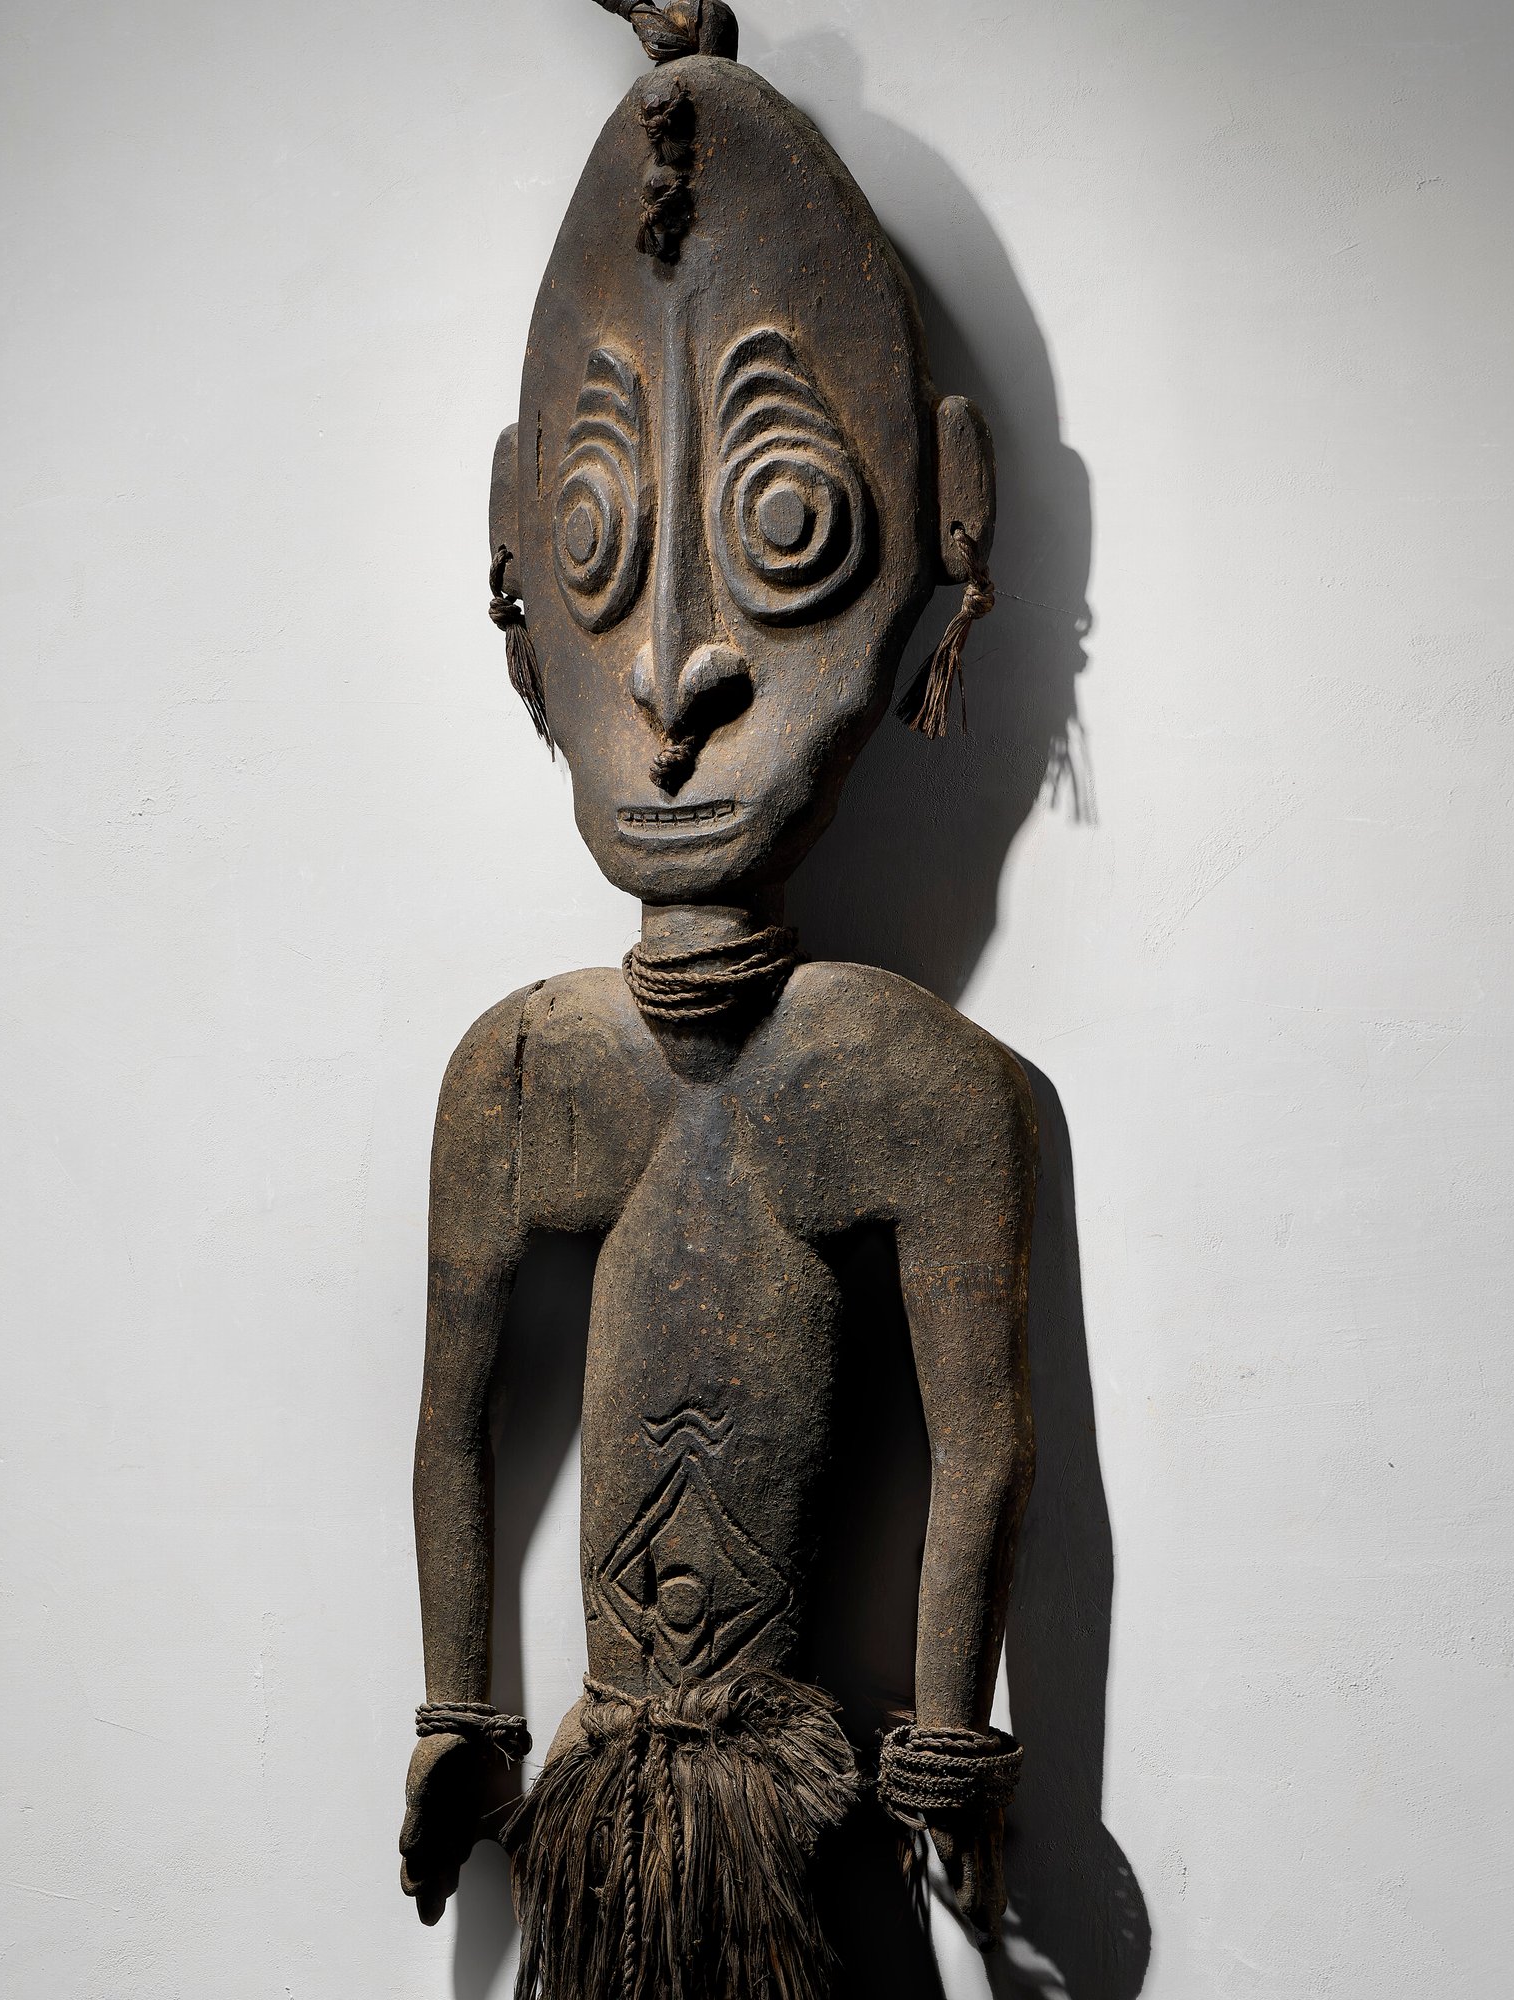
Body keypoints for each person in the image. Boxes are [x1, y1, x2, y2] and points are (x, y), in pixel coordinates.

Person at [398, 24, 1034, 1999]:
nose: (674, 671)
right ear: (516, 563)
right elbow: (449, 1422)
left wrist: (946, 1737)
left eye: (784, 534)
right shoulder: (522, 1074)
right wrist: (459, 1718)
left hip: (786, 1818)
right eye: (597, 545)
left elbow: (983, 1437)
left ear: (943, 528)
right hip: (603, 1803)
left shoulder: (906, 1082)